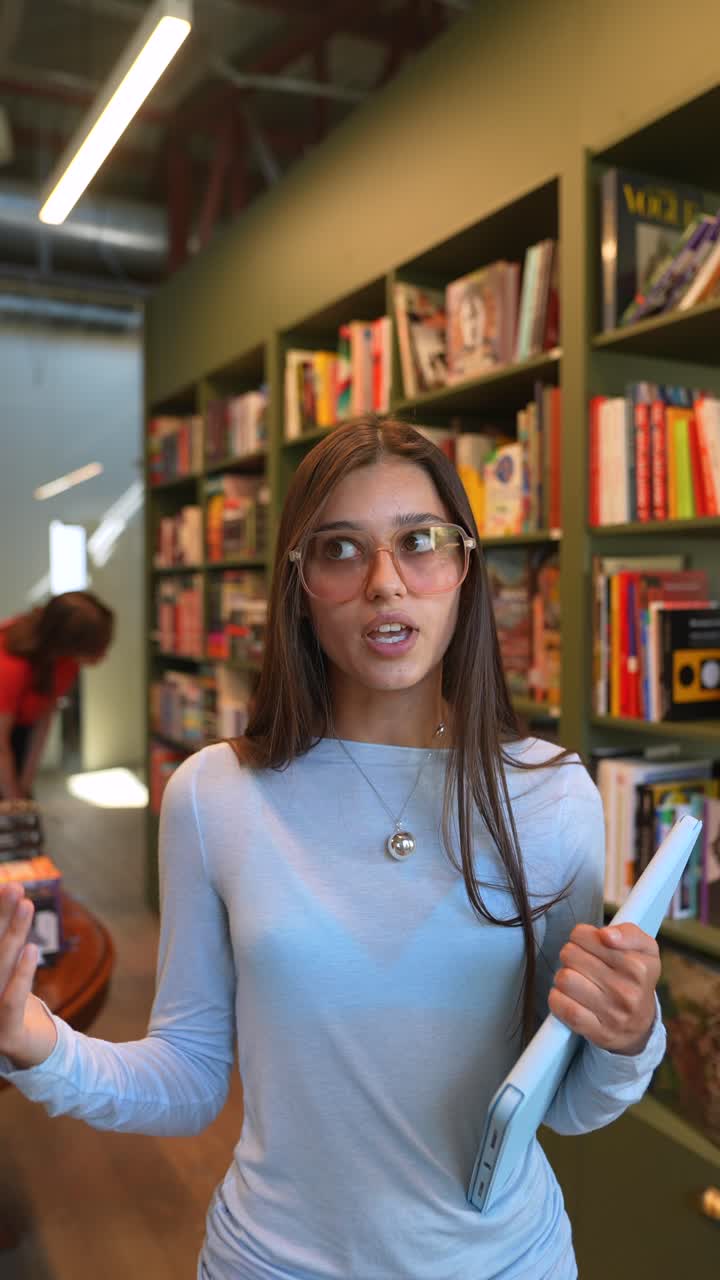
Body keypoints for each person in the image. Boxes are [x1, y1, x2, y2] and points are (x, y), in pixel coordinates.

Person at [0, 418, 665, 1280]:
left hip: (508, 1262)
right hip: (271, 1262)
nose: (386, 583)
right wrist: (33, 1043)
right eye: (341, 550)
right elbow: (191, 1074)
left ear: (464, 568)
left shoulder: (550, 794)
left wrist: (630, 1037)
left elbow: (564, 1104)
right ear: (300, 584)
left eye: (419, 543)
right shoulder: (213, 794)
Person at [0, 591, 114, 800]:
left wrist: (24, 784)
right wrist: (13, 796)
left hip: (16, 738)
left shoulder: (65, 662)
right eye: (97, 649)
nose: (103, 656)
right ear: (69, 643)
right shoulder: (10, 665)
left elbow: (43, 718)